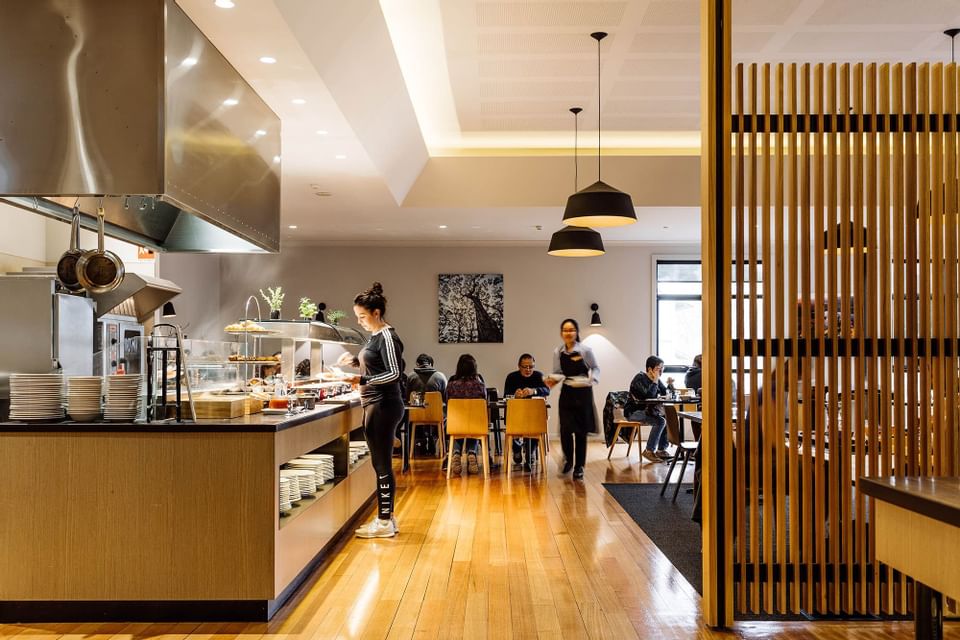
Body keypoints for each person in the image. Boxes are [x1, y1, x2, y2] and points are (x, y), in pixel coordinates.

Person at [336, 282, 404, 539]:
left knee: (382, 463)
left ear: (376, 313)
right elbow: (377, 366)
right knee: (380, 463)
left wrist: (360, 380)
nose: (361, 321)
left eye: (363, 317)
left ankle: (385, 522)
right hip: (376, 403)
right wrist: (355, 362)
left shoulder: (387, 335)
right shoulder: (376, 337)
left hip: (383, 404)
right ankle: (386, 519)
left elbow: (395, 372)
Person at [545, 319, 599, 480]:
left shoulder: (585, 350)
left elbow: (595, 367)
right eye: (565, 330)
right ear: (561, 333)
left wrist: (592, 379)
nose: (568, 333)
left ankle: (579, 467)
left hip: (583, 393)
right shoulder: (558, 352)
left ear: (576, 332)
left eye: (571, 330)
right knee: (565, 429)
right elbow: (558, 372)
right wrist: (551, 380)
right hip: (567, 392)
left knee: (581, 432)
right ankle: (568, 459)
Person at [503, 353, 549, 471]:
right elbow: (505, 395)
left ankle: (531, 452)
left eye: (531, 366)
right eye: (525, 367)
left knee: (535, 425)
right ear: (519, 366)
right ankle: (517, 448)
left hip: (533, 416)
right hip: (516, 416)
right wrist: (515, 394)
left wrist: (533, 391)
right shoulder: (511, 377)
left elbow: (547, 390)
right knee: (513, 421)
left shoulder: (539, 376)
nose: (528, 370)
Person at [445, 353, 487, 475]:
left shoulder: (451, 385)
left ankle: (456, 453)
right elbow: (485, 403)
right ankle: (472, 452)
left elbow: (447, 402)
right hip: (475, 425)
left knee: (459, 426)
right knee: (474, 424)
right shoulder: (480, 386)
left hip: (456, 424)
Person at [625, 355, 672, 464]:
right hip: (633, 412)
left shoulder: (656, 380)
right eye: (658, 369)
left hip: (647, 411)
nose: (661, 371)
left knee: (667, 415)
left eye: (662, 368)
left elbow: (666, 393)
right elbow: (648, 398)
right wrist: (655, 381)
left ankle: (661, 450)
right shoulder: (639, 378)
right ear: (650, 369)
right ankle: (649, 450)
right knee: (660, 421)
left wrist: (670, 385)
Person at [406, 353, 447, 455]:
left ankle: (419, 443)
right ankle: (435, 439)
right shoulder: (440, 376)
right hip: (436, 415)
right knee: (444, 412)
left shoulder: (411, 377)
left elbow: (407, 398)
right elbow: (446, 397)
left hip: (416, 416)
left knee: (412, 412)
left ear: (417, 363)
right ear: (430, 364)